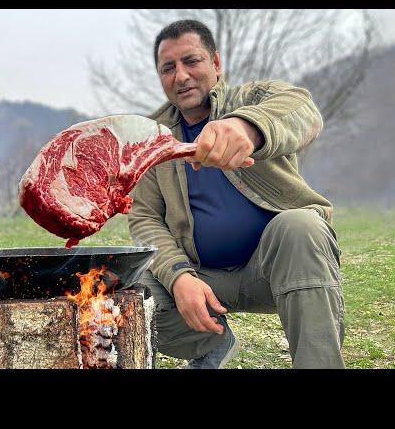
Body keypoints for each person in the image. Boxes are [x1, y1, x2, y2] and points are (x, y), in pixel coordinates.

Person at [127, 19, 344, 369]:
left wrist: (247, 126)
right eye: (168, 68)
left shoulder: (253, 99)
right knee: (130, 281)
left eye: (191, 61)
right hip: (202, 278)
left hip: (277, 270)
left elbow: (303, 110)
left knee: (302, 226)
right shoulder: (153, 138)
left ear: (216, 64)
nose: (181, 76)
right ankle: (210, 345)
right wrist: (180, 276)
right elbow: (144, 218)